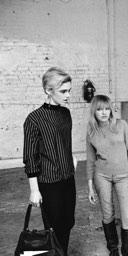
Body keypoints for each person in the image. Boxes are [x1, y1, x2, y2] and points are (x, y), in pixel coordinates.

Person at [23, 67, 76, 255]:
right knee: (54, 229)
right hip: (49, 183)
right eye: (63, 91)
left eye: (69, 90)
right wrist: (34, 190)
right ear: (48, 90)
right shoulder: (34, 119)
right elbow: (30, 157)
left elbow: (64, 144)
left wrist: (72, 159)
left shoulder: (65, 114)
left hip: (68, 179)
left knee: (68, 223)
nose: (68, 95)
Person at [86, 95, 128, 256]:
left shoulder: (121, 125)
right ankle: (113, 249)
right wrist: (89, 186)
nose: (103, 113)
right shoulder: (91, 131)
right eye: (99, 109)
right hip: (101, 176)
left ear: (111, 110)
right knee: (107, 213)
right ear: (94, 111)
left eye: (107, 109)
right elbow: (90, 159)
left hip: (124, 176)